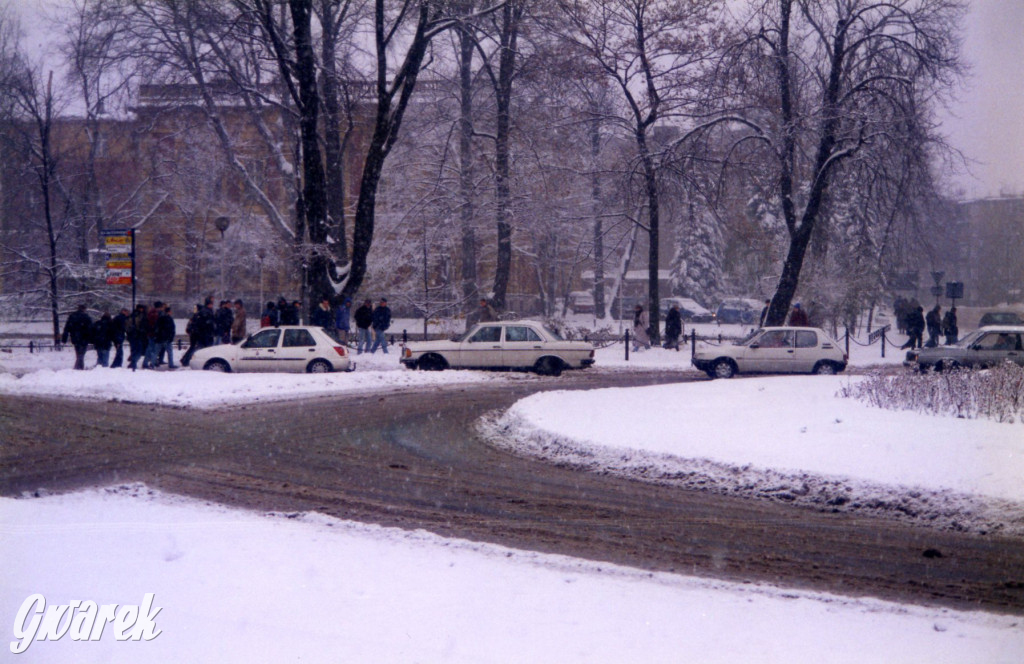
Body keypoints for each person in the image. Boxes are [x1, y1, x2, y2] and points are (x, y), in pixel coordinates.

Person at [61, 304, 93, 370]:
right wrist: (91, 338)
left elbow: (67, 327)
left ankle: (79, 366)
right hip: (84, 338)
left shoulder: (72, 316)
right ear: (84, 309)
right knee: (81, 353)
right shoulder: (86, 317)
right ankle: (79, 367)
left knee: (78, 352)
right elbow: (90, 329)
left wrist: (65, 337)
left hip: (75, 337)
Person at [150, 304, 177, 369]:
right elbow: (171, 329)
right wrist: (170, 337)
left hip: (159, 338)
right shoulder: (169, 319)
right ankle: (171, 364)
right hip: (167, 338)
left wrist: (158, 336)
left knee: (156, 352)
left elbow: (157, 328)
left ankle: (152, 364)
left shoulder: (160, 318)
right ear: (169, 312)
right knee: (170, 352)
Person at [126, 304, 148, 370]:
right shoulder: (141, 316)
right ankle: (133, 363)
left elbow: (127, 326)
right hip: (139, 335)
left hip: (132, 336)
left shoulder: (131, 315)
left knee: (133, 350)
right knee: (139, 351)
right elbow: (143, 325)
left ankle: (132, 362)